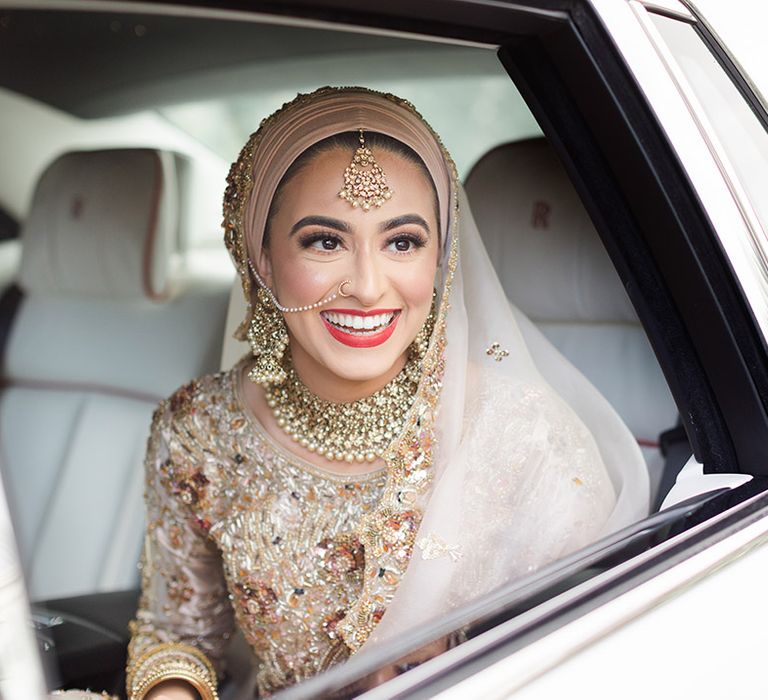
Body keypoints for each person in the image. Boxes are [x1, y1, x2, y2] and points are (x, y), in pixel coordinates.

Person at [125, 86, 648, 700]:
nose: (369, 287)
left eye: (403, 242)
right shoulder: (199, 430)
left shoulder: (523, 435)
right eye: (325, 240)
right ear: (260, 259)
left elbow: (593, 659)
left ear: (442, 260)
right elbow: (176, 632)